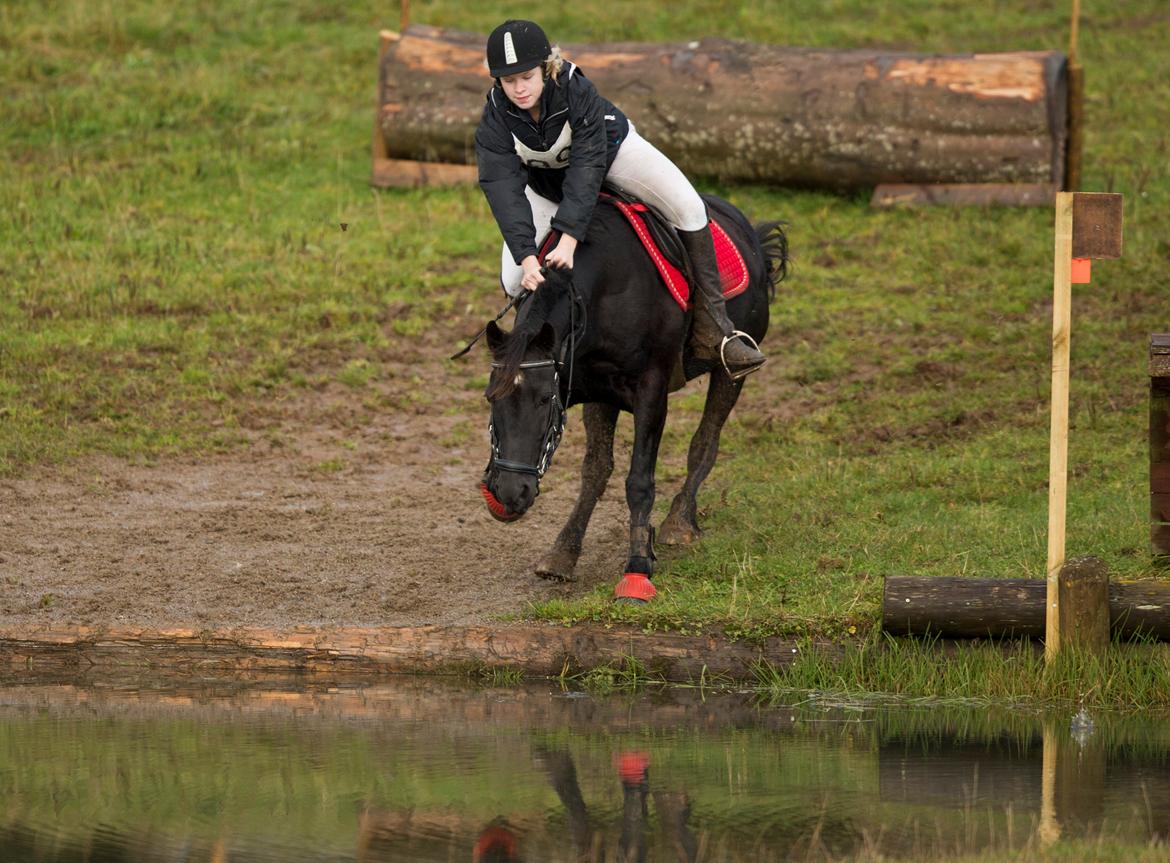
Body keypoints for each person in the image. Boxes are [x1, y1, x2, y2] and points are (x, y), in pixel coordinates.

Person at [474, 19, 766, 380]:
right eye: (508, 80)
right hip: (546, 185)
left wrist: (568, 240)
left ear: (546, 69)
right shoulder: (495, 118)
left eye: (526, 77)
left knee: (689, 207)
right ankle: (541, 358)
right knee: (515, 277)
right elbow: (502, 186)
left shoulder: (575, 90)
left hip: (611, 155)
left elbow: (587, 169)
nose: (518, 89)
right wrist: (526, 255)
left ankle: (715, 329)